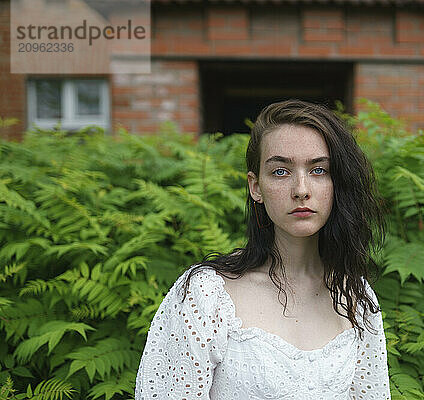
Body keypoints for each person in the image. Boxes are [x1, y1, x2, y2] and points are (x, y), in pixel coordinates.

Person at [135, 99, 391, 399]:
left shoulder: (355, 298)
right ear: (255, 186)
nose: (301, 189)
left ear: (337, 182)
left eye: (318, 170)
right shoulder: (207, 295)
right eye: (281, 171)